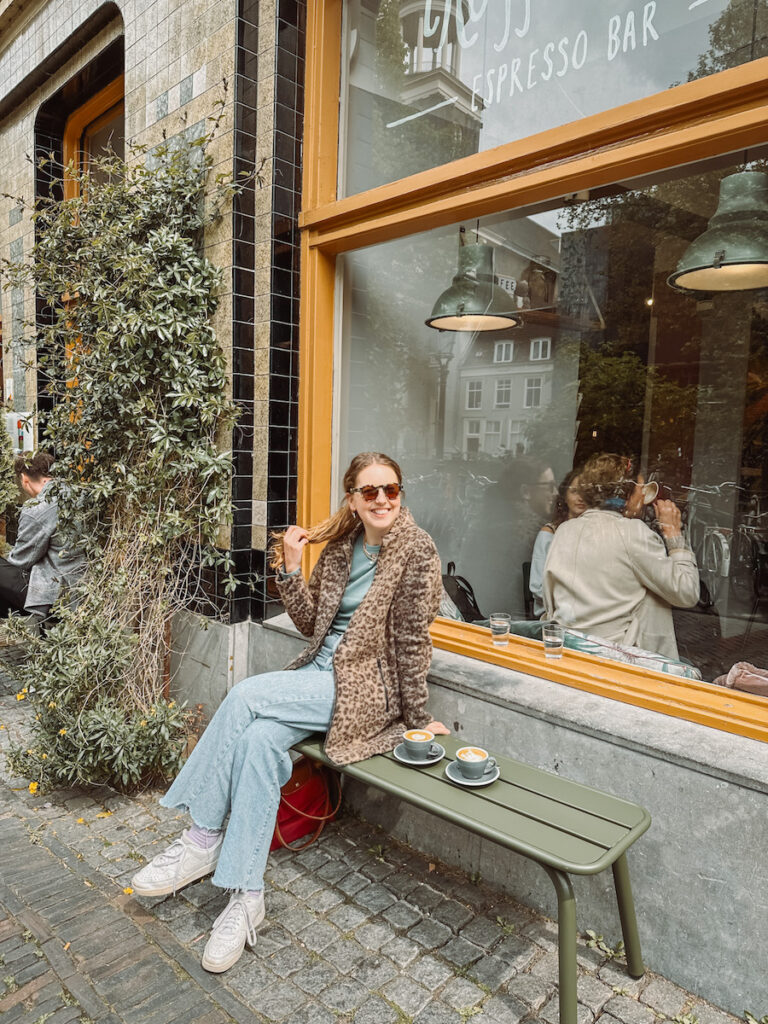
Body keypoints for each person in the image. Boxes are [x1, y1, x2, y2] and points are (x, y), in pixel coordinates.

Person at [131, 452, 449, 973]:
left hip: (364, 690)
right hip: (315, 678)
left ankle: (203, 836)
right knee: (257, 743)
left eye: (391, 489)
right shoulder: (345, 548)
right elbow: (310, 624)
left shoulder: (415, 551)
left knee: (244, 696)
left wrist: (416, 721)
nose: (383, 500)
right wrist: (291, 569)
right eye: (370, 492)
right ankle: (246, 895)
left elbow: (414, 641)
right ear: (352, 499)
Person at [542, 453, 700, 660]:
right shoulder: (633, 532)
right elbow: (687, 592)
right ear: (626, 494)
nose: (643, 498)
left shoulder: (564, 530)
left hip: (568, 650)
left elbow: (549, 599)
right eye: (639, 490)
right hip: (617, 661)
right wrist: (674, 535)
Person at [459, 455, 557, 618]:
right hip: (515, 627)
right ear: (526, 491)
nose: (555, 493)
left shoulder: (483, 524)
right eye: (550, 486)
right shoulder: (536, 533)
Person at [0, 451, 85, 622]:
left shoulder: (37, 508)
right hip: (83, 582)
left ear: (24, 479)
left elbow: (21, 560)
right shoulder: (80, 492)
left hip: (57, 592)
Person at [528, 469, 586, 618]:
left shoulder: (592, 535)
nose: (580, 498)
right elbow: (537, 587)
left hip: (584, 614)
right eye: (574, 492)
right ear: (565, 496)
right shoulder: (549, 534)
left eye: (585, 492)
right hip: (551, 616)